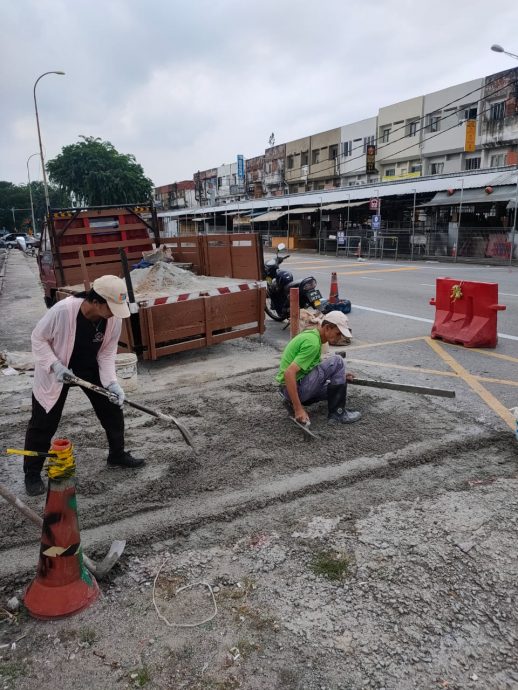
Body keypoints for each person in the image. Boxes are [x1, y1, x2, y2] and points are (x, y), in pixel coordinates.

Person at [23, 275, 145, 496]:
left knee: (112, 409)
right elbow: (37, 338)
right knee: (43, 422)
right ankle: (31, 474)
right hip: (58, 371)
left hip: (90, 368)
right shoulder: (63, 311)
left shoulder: (113, 318)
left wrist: (111, 383)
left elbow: (107, 352)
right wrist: (55, 366)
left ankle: (116, 455)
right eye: (111, 307)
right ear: (97, 302)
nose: (115, 313)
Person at [276, 310, 361, 426]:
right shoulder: (313, 343)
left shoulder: (313, 336)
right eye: (338, 333)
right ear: (327, 328)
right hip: (296, 388)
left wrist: (340, 376)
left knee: (336, 389)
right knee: (337, 361)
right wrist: (298, 409)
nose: (339, 338)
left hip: (290, 389)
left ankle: (293, 400)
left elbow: (311, 368)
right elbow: (289, 373)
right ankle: (338, 414)